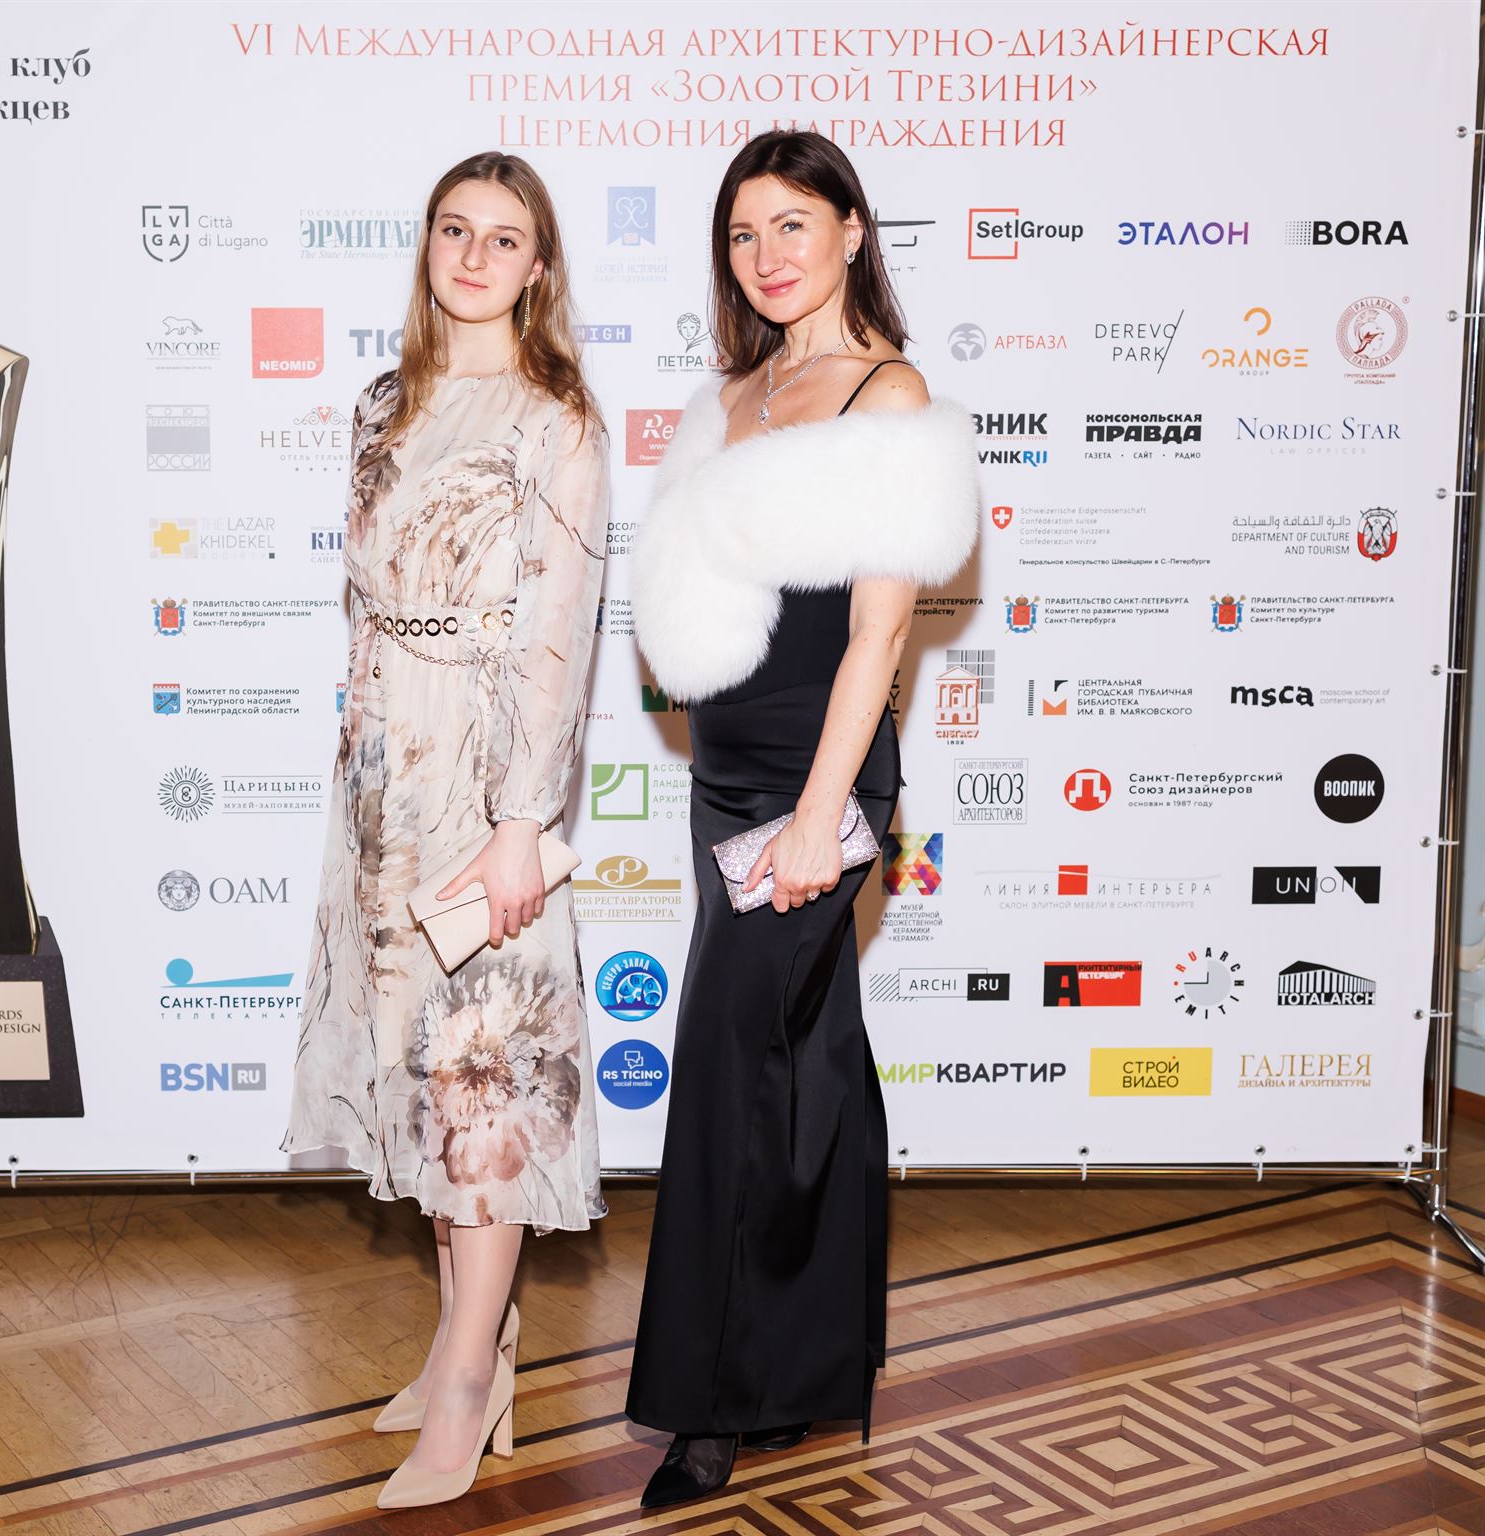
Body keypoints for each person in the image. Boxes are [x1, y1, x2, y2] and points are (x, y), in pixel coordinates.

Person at [626, 130, 979, 1508]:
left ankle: (711, 1406)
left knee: (733, 1062)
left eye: (792, 225)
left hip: (820, 778)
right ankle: (808, 1365)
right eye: (742, 233)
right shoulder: (733, 393)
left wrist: (819, 817)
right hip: (725, 772)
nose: (767, 255)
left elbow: (878, 635)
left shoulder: (891, 394)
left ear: (850, 230)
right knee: (807, 1059)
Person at [282, 151, 609, 1511]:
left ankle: (472, 1383)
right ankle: (471, 1340)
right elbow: (365, 611)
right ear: (426, 245)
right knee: (419, 1079)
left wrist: (524, 823)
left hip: (483, 783)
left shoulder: (557, 419)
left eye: (504, 238)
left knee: (481, 1090)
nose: (474, 257)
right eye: (454, 230)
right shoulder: (382, 402)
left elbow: (558, 639)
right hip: (383, 780)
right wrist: (359, 775)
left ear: (539, 267)